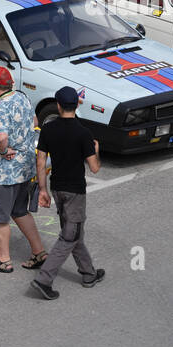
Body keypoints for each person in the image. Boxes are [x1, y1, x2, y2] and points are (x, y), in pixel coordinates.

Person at [30, 86, 103, 300]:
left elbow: (41, 161)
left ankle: (89, 273)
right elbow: (95, 168)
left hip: (57, 188)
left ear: (58, 105)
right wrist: (96, 151)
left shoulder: (48, 128)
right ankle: (44, 280)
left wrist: (42, 189)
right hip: (75, 193)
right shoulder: (83, 133)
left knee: (74, 233)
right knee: (69, 235)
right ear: (77, 104)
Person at [0, 66, 49, 274]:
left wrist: (4, 149)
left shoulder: (1, 107)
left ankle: (3, 259)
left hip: (2, 174)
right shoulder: (22, 97)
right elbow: (34, 121)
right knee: (19, 211)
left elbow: (0, 137)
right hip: (23, 169)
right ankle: (39, 252)